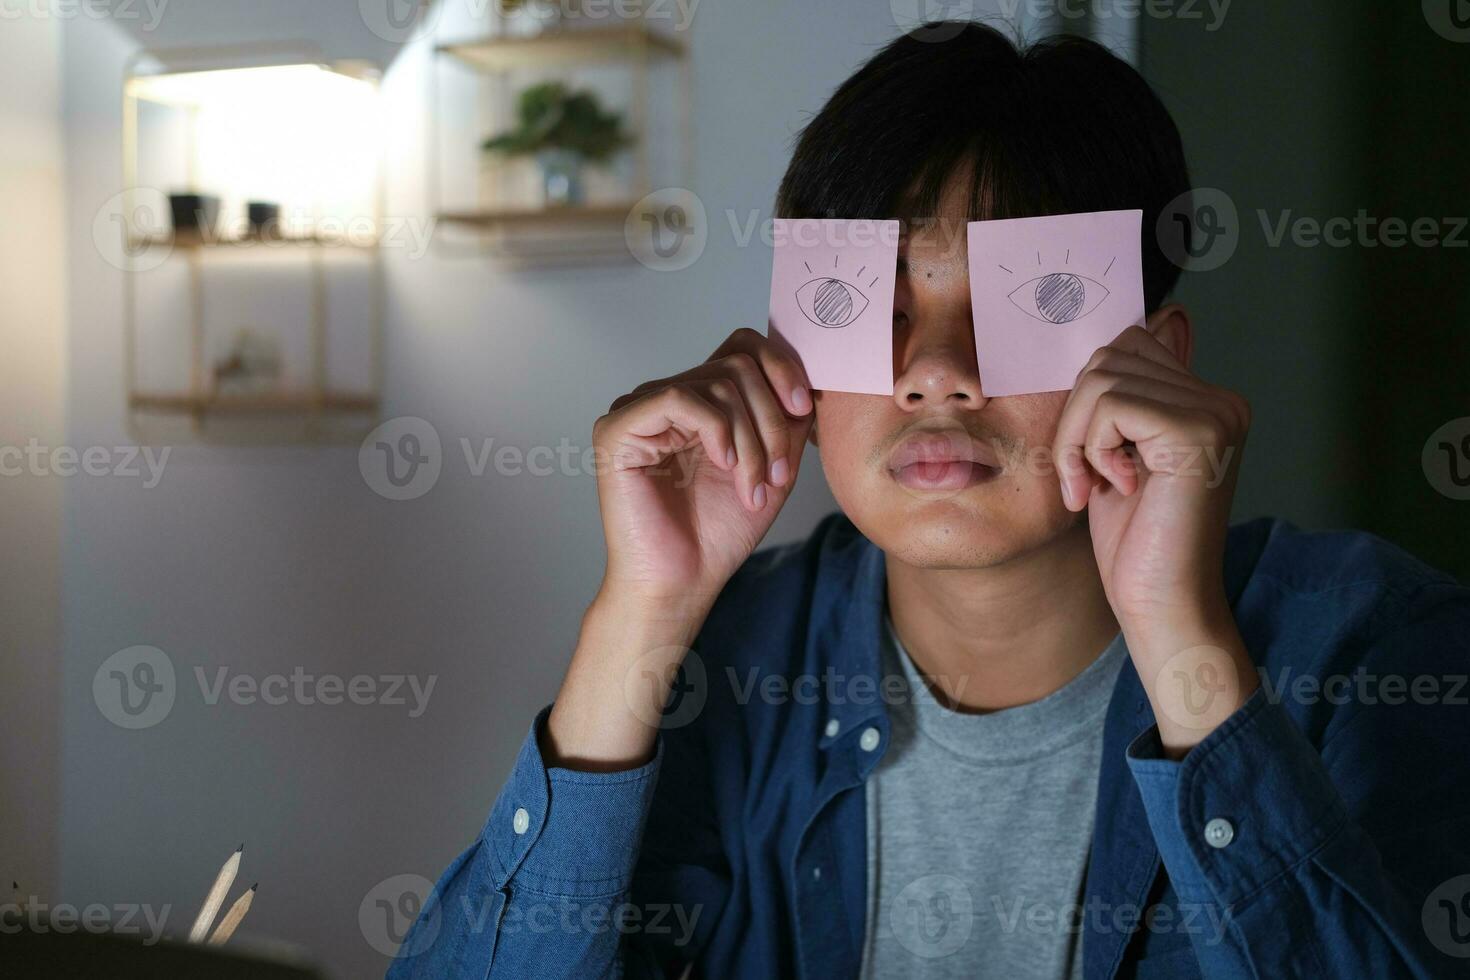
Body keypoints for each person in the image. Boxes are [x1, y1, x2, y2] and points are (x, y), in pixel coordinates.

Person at [388, 22, 1470, 980]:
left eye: (1037, 299)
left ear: (1156, 361)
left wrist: (1183, 637)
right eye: (871, 306)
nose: (936, 370)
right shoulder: (730, 660)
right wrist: (641, 612)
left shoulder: (1375, 651)